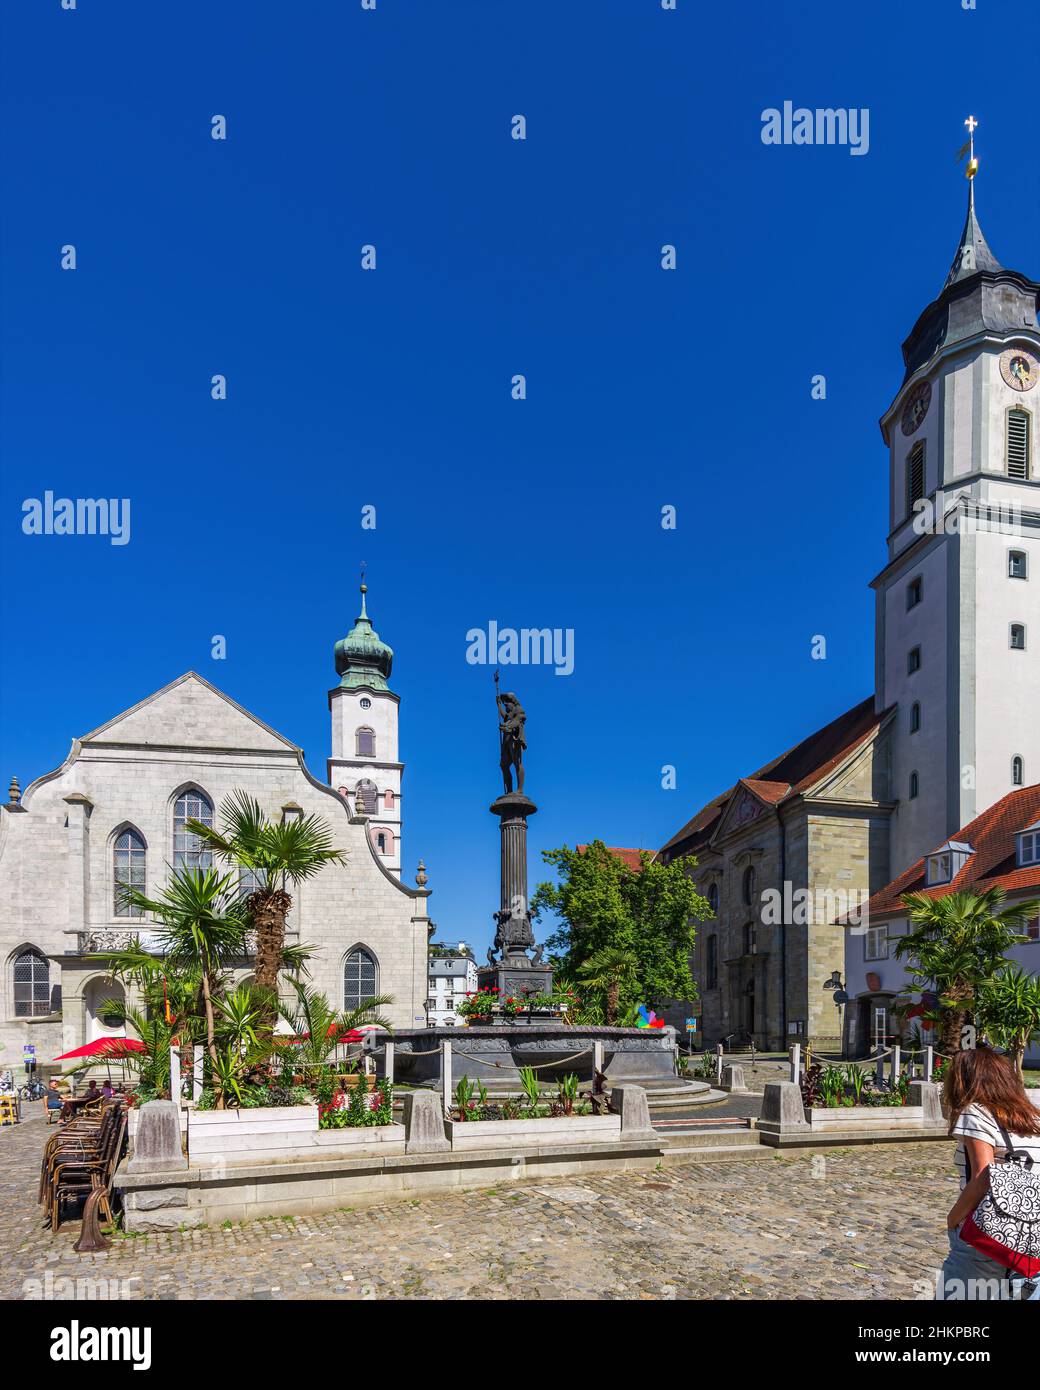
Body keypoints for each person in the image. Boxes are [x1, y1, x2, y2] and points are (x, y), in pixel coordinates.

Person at [939, 1046, 1040, 1300]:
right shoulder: (1032, 1117)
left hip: (988, 1229)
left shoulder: (975, 1112)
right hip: (1031, 1234)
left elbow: (985, 1174)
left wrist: (954, 1220)